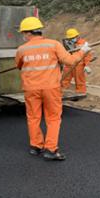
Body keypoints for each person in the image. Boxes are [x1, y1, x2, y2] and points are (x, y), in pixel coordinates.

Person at [15, 17, 91, 161]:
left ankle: (35, 146)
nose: (23, 36)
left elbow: (19, 65)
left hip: (31, 88)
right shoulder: (54, 44)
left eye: (23, 33)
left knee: (33, 117)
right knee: (53, 118)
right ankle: (50, 149)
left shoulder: (22, 49)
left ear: (28, 33)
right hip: (51, 88)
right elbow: (70, 61)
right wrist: (83, 51)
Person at [61, 28, 92, 95]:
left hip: (79, 64)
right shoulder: (67, 43)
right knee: (65, 79)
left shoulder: (83, 43)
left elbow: (87, 54)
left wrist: (87, 65)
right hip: (69, 63)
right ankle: (62, 92)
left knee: (80, 80)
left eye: (73, 37)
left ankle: (81, 93)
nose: (72, 39)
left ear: (77, 36)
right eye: (70, 38)